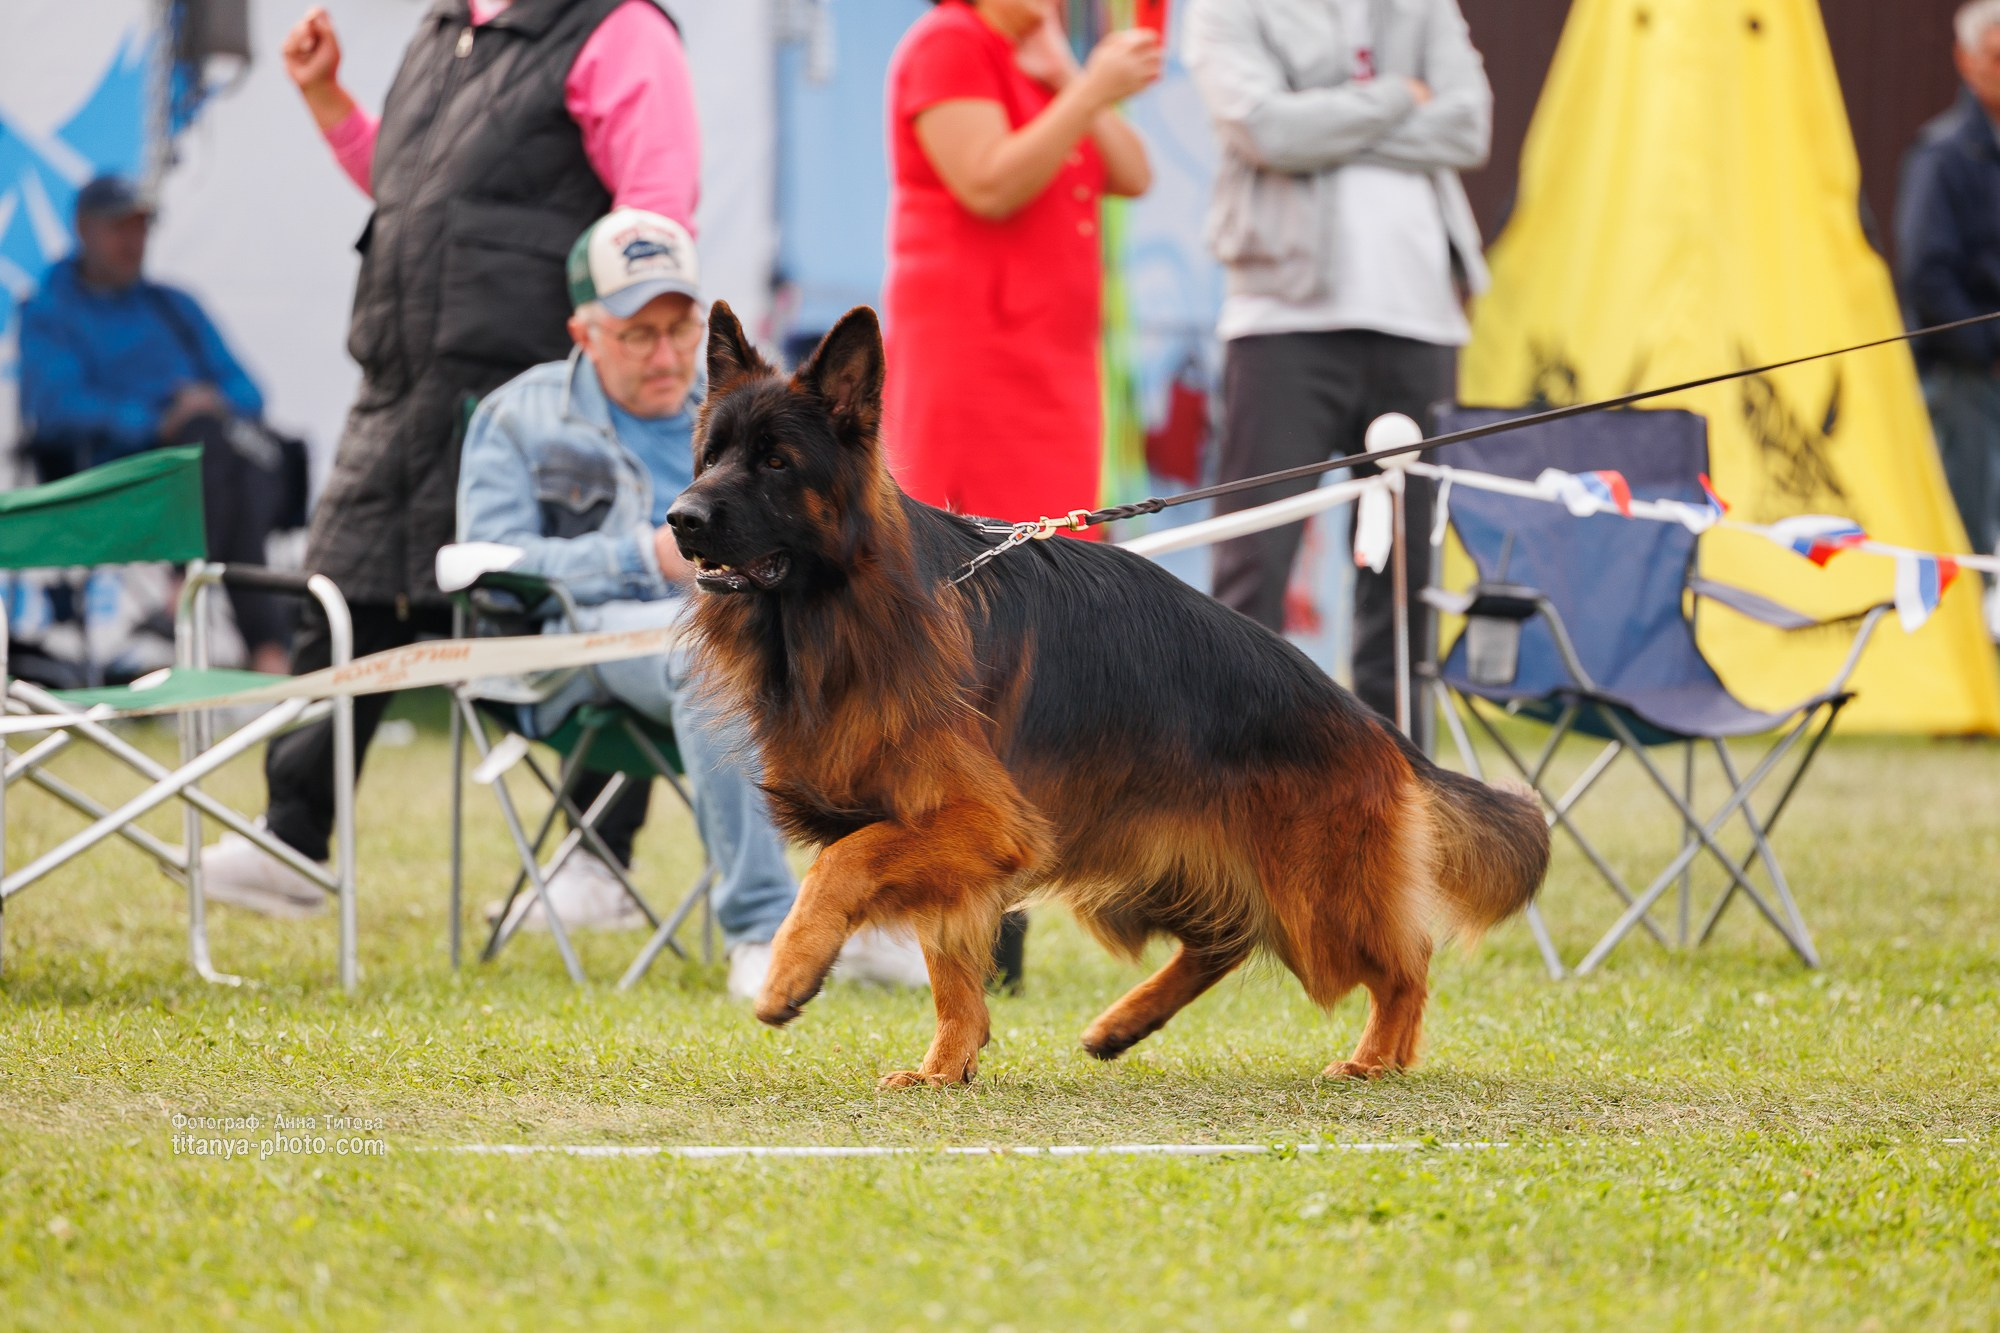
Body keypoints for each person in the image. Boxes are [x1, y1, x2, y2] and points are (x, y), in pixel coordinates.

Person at [202, 0, 701, 913]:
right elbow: (417, 186)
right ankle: (294, 837)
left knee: (592, 611)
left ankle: (598, 861)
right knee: (343, 599)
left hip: (541, 400)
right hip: (402, 383)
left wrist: (629, 371)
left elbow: (656, 220)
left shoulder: (619, 26)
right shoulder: (443, 29)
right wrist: (328, 103)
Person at [882, 0, 1160, 989]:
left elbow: (1131, 169)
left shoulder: (1032, 56)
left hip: (1049, 380)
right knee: (974, 634)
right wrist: (1082, 86)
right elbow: (989, 182)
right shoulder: (944, 46)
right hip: (971, 375)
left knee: (1046, 636)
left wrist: (1058, 72)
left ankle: (1004, 903)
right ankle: (949, 911)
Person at [1185, 0, 1492, 728]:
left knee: (1405, 576)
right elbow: (1265, 130)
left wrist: (1325, 121)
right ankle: (1220, 783)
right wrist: (1397, 97)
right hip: (1283, 321)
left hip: (1422, 319)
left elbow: (1469, 124)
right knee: (1252, 570)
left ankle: (1404, 790)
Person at [16, 175, 303, 674]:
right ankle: (266, 649)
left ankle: (183, 604)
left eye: (142, 228)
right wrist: (157, 422)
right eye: (120, 228)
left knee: (228, 452)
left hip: (207, 472)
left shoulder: (174, 305)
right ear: (84, 229)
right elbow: (57, 409)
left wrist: (208, 402)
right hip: (112, 485)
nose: (134, 242)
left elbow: (248, 392)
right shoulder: (50, 313)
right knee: (216, 452)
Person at [1897, 0, 2000, 603]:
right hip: (1962, 378)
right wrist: (1985, 351)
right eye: (1995, 57)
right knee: (1967, 529)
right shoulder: (1943, 154)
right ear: (1965, 61)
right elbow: (1927, 276)